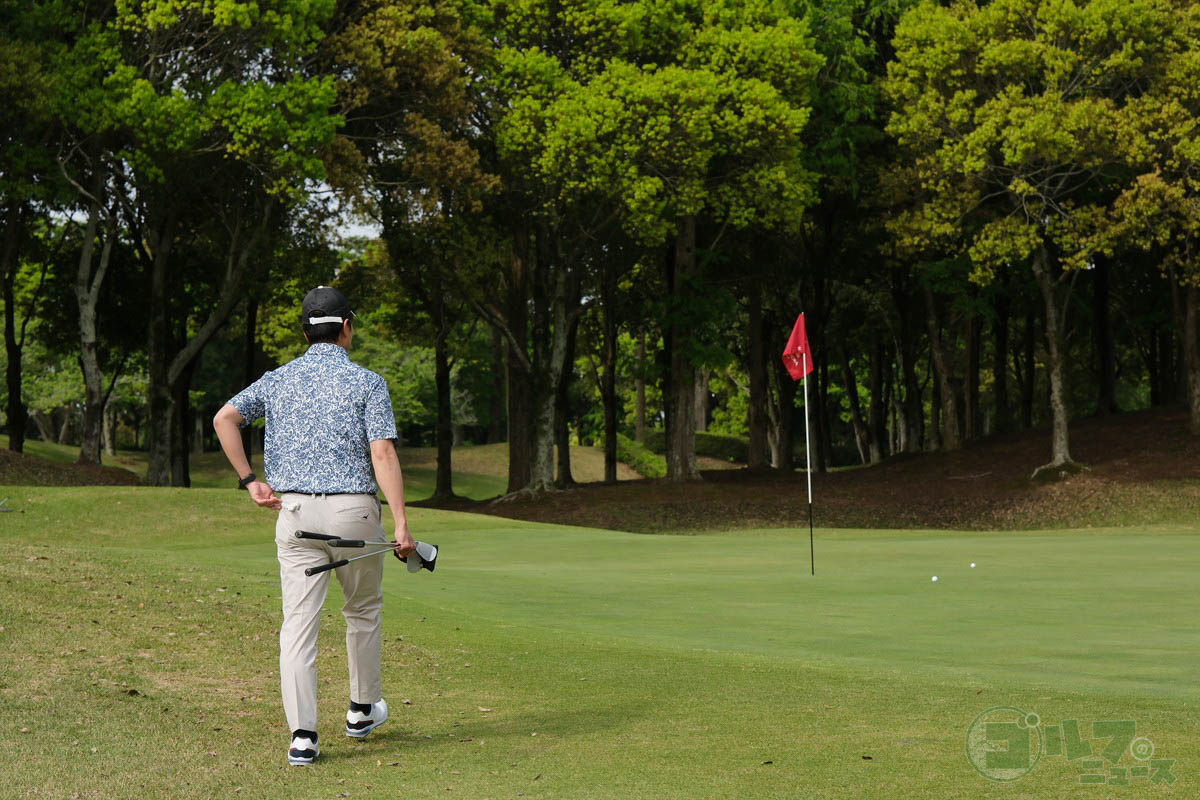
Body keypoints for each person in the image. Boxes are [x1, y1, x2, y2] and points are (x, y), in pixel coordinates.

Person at [212, 285, 415, 766]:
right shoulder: (368, 382)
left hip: (296, 513)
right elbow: (382, 453)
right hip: (355, 513)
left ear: (305, 332)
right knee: (362, 611)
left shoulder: (278, 380)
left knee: (298, 626)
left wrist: (249, 481)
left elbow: (225, 418)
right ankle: (362, 710)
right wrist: (403, 522)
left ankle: (303, 737)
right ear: (348, 326)